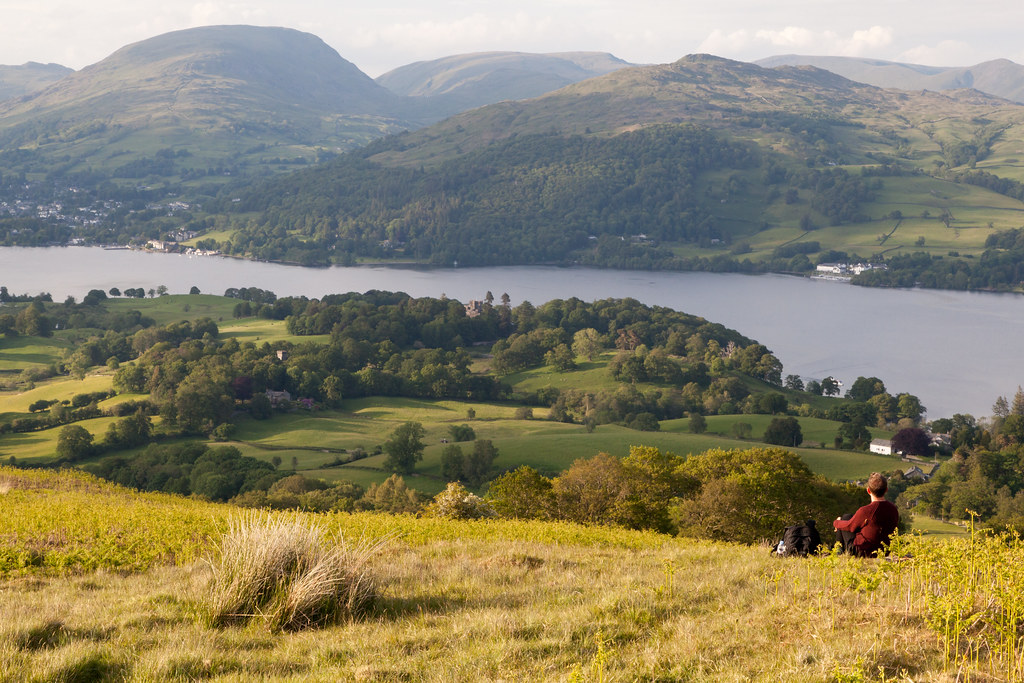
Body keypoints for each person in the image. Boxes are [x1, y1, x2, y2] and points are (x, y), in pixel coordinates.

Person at [833, 472, 899, 557]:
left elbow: (850, 526)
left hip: (863, 551)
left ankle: (838, 552)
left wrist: (836, 522)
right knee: (847, 517)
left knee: (844, 519)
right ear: (886, 490)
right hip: (884, 550)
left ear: (868, 490)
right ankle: (838, 551)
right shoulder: (893, 509)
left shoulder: (865, 511)